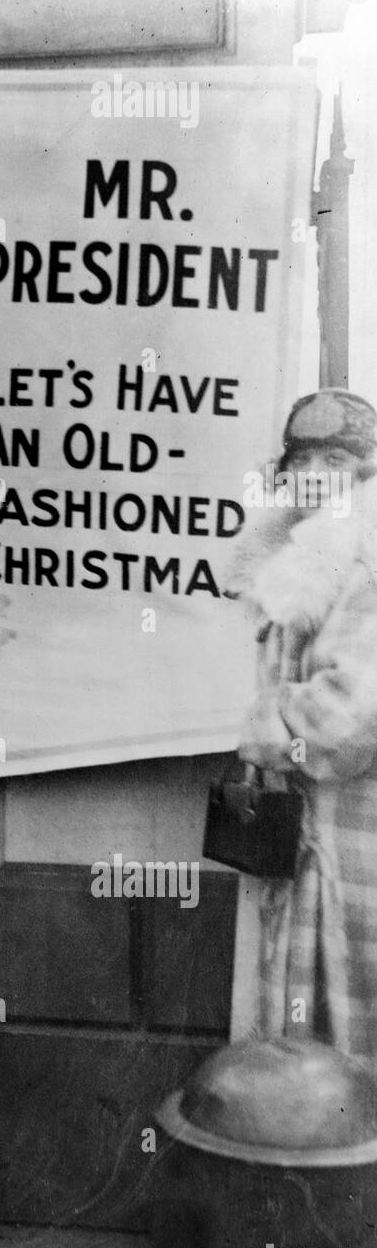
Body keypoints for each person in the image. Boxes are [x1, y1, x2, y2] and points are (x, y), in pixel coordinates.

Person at [226, 388, 377, 1067]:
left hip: (357, 841)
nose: (317, 469)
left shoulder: (366, 554)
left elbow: (350, 716)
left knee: (350, 1049)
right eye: (303, 454)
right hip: (304, 837)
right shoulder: (293, 549)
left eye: (337, 455)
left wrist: (266, 722)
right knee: (298, 1051)